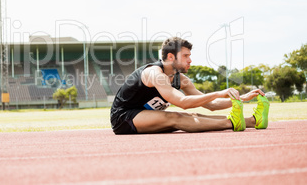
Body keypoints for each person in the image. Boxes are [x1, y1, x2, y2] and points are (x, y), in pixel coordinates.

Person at [110, 36, 270, 134]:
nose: (190, 60)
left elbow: (211, 105)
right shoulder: (155, 74)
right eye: (185, 56)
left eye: (190, 56)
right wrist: (219, 92)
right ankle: (232, 123)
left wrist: (241, 98)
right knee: (176, 117)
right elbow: (183, 103)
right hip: (123, 118)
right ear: (171, 57)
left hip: (144, 116)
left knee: (195, 117)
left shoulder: (182, 79)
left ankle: (252, 121)